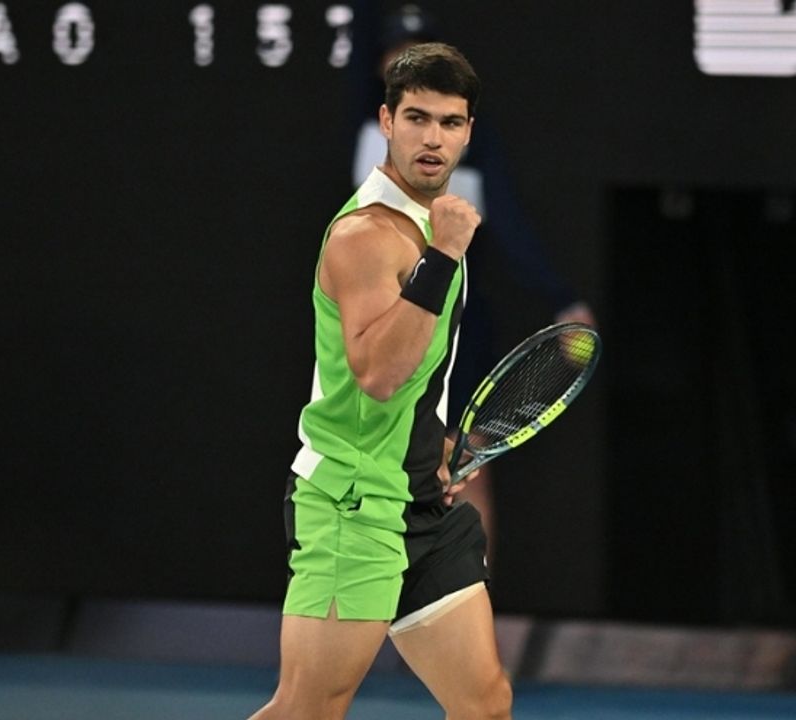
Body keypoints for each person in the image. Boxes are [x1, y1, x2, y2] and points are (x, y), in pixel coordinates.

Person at [249, 43, 513, 720]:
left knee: (485, 704)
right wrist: (445, 253)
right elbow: (378, 376)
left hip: (420, 503)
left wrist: (430, 444)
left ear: (468, 132)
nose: (433, 139)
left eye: (450, 122)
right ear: (387, 121)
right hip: (353, 502)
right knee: (306, 711)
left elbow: (418, 377)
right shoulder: (365, 236)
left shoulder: (429, 222)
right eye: (417, 118)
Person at [349, 4, 596, 566]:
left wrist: (562, 298)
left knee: (463, 468)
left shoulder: (468, 147)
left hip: (456, 333)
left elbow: (508, 224)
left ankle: (469, 597)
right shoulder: (366, 139)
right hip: (380, 332)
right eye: (397, 57)